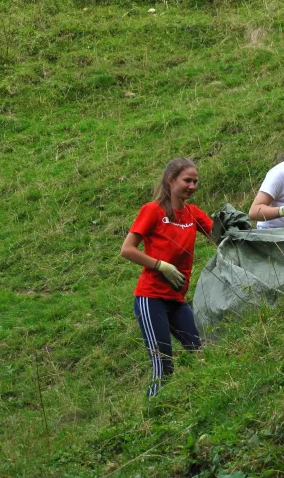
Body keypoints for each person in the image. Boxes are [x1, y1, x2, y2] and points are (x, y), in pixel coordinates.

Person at [120, 158, 214, 397]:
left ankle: (201, 404)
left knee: (204, 355)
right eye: (187, 180)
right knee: (164, 366)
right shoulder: (153, 210)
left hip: (177, 299)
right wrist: (160, 265)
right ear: (171, 180)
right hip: (151, 299)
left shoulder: (193, 213)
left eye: (195, 181)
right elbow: (127, 249)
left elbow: (221, 236)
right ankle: (151, 418)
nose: (192, 186)